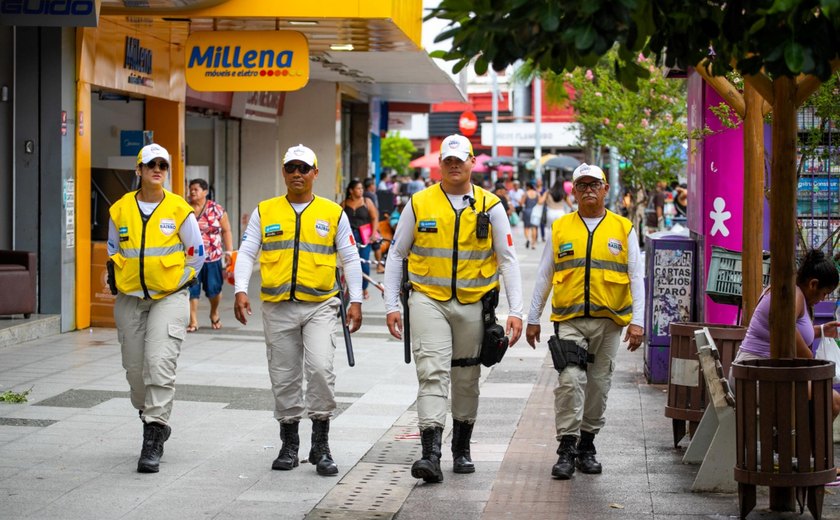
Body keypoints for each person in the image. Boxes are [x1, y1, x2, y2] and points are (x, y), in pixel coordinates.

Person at [384, 134, 524, 483]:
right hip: (428, 300)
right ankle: (430, 454)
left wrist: (517, 311)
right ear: (440, 164)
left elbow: (508, 259)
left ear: (472, 162)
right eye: (448, 160)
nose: (454, 165)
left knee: (466, 377)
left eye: (460, 159)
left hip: (474, 304)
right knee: (432, 372)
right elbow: (396, 254)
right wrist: (391, 305)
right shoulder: (418, 203)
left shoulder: (491, 206)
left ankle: (461, 449)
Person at [233, 144, 363, 476]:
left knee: (320, 369)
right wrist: (240, 289)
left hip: (320, 305)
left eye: (304, 168)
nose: (297, 174)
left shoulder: (333, 213)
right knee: (284, 376)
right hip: (277, 307)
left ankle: (321, 444)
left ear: (315, 173)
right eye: (291, 167)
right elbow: (247, 251)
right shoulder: (266, 211)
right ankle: (289, 444)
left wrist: (357, 301)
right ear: (283, 172)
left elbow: (349, 257)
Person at [525, 163, 645, 480]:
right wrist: (533, 318)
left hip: (609, 323)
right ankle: (566, 449)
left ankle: (586, 447)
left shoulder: (623, 228)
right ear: (574, 191)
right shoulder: (561, 228)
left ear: (606, 189)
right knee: (570, 381)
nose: (589, 189)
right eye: (582, 185)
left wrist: (638, 322)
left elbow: (637, 277)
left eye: (595, 184)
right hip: (569, 320)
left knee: (598, 385)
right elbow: (544, 275)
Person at [107, 143, 205, 473]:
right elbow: (112, 250)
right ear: (139, 170)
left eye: (163, 164)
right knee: (135, 371)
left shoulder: (179, 209)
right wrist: (115, 276)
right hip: (131, 298)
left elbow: (197, 253)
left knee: (159, 362)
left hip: (169, 297)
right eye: (151, 164)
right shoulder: (119, 209)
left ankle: (153, 434)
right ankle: (151, 415)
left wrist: (181, 281)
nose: (157, 169)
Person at [731, 249, 840, 417]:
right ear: (813, 284)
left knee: (829, 398)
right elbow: (788, 329)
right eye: (824, 293)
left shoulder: (789, 291)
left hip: (755, 374)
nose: (823, 299)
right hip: (756, 379)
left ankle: (800, 442)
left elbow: (790, 331)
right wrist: (812, 360)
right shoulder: (792, 295)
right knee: (831, 399)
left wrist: (822, 331)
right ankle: (800, 443)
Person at [186, 179, 233, 332]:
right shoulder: (185, 209)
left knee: (214, 289)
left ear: (205, 192)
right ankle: (193, 321)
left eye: (196, 189)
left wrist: (229, 252)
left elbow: (226, 231)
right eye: (191, 189)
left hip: (212, 257)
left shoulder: (216, 209)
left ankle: (214, 312)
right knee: (191, 290)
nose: (192, 192)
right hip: (191, 258)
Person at [342, 179, 380, 299]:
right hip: (348, 237)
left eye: (362, 188)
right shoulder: (344, 203)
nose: (361, 190)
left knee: (363, 263)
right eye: (358, 188)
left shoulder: (367, 202)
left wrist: (374, 234)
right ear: (351, 190)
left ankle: (363, 288)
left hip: (364, 237)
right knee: (349, 264)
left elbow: (374, 218)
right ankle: (351, 289)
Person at [364, 178, 386, 274]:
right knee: (376, 245)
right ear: (370, 186)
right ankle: (379, 266)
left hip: (365, 225)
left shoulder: (364, 195)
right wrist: (376, 225)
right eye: (373, 184)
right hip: (371, 225)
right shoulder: (371, 196)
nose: (375, 186)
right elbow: (375, 211)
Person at [520, 181, 540, 249]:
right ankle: (533, 244)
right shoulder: (537, 194)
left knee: (526, 227)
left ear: (528, 187)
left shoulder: (525, 194)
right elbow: (540, 202)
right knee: (534, 227)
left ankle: (528, 239)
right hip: (535, 212)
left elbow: (521, 203)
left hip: (527, 211)